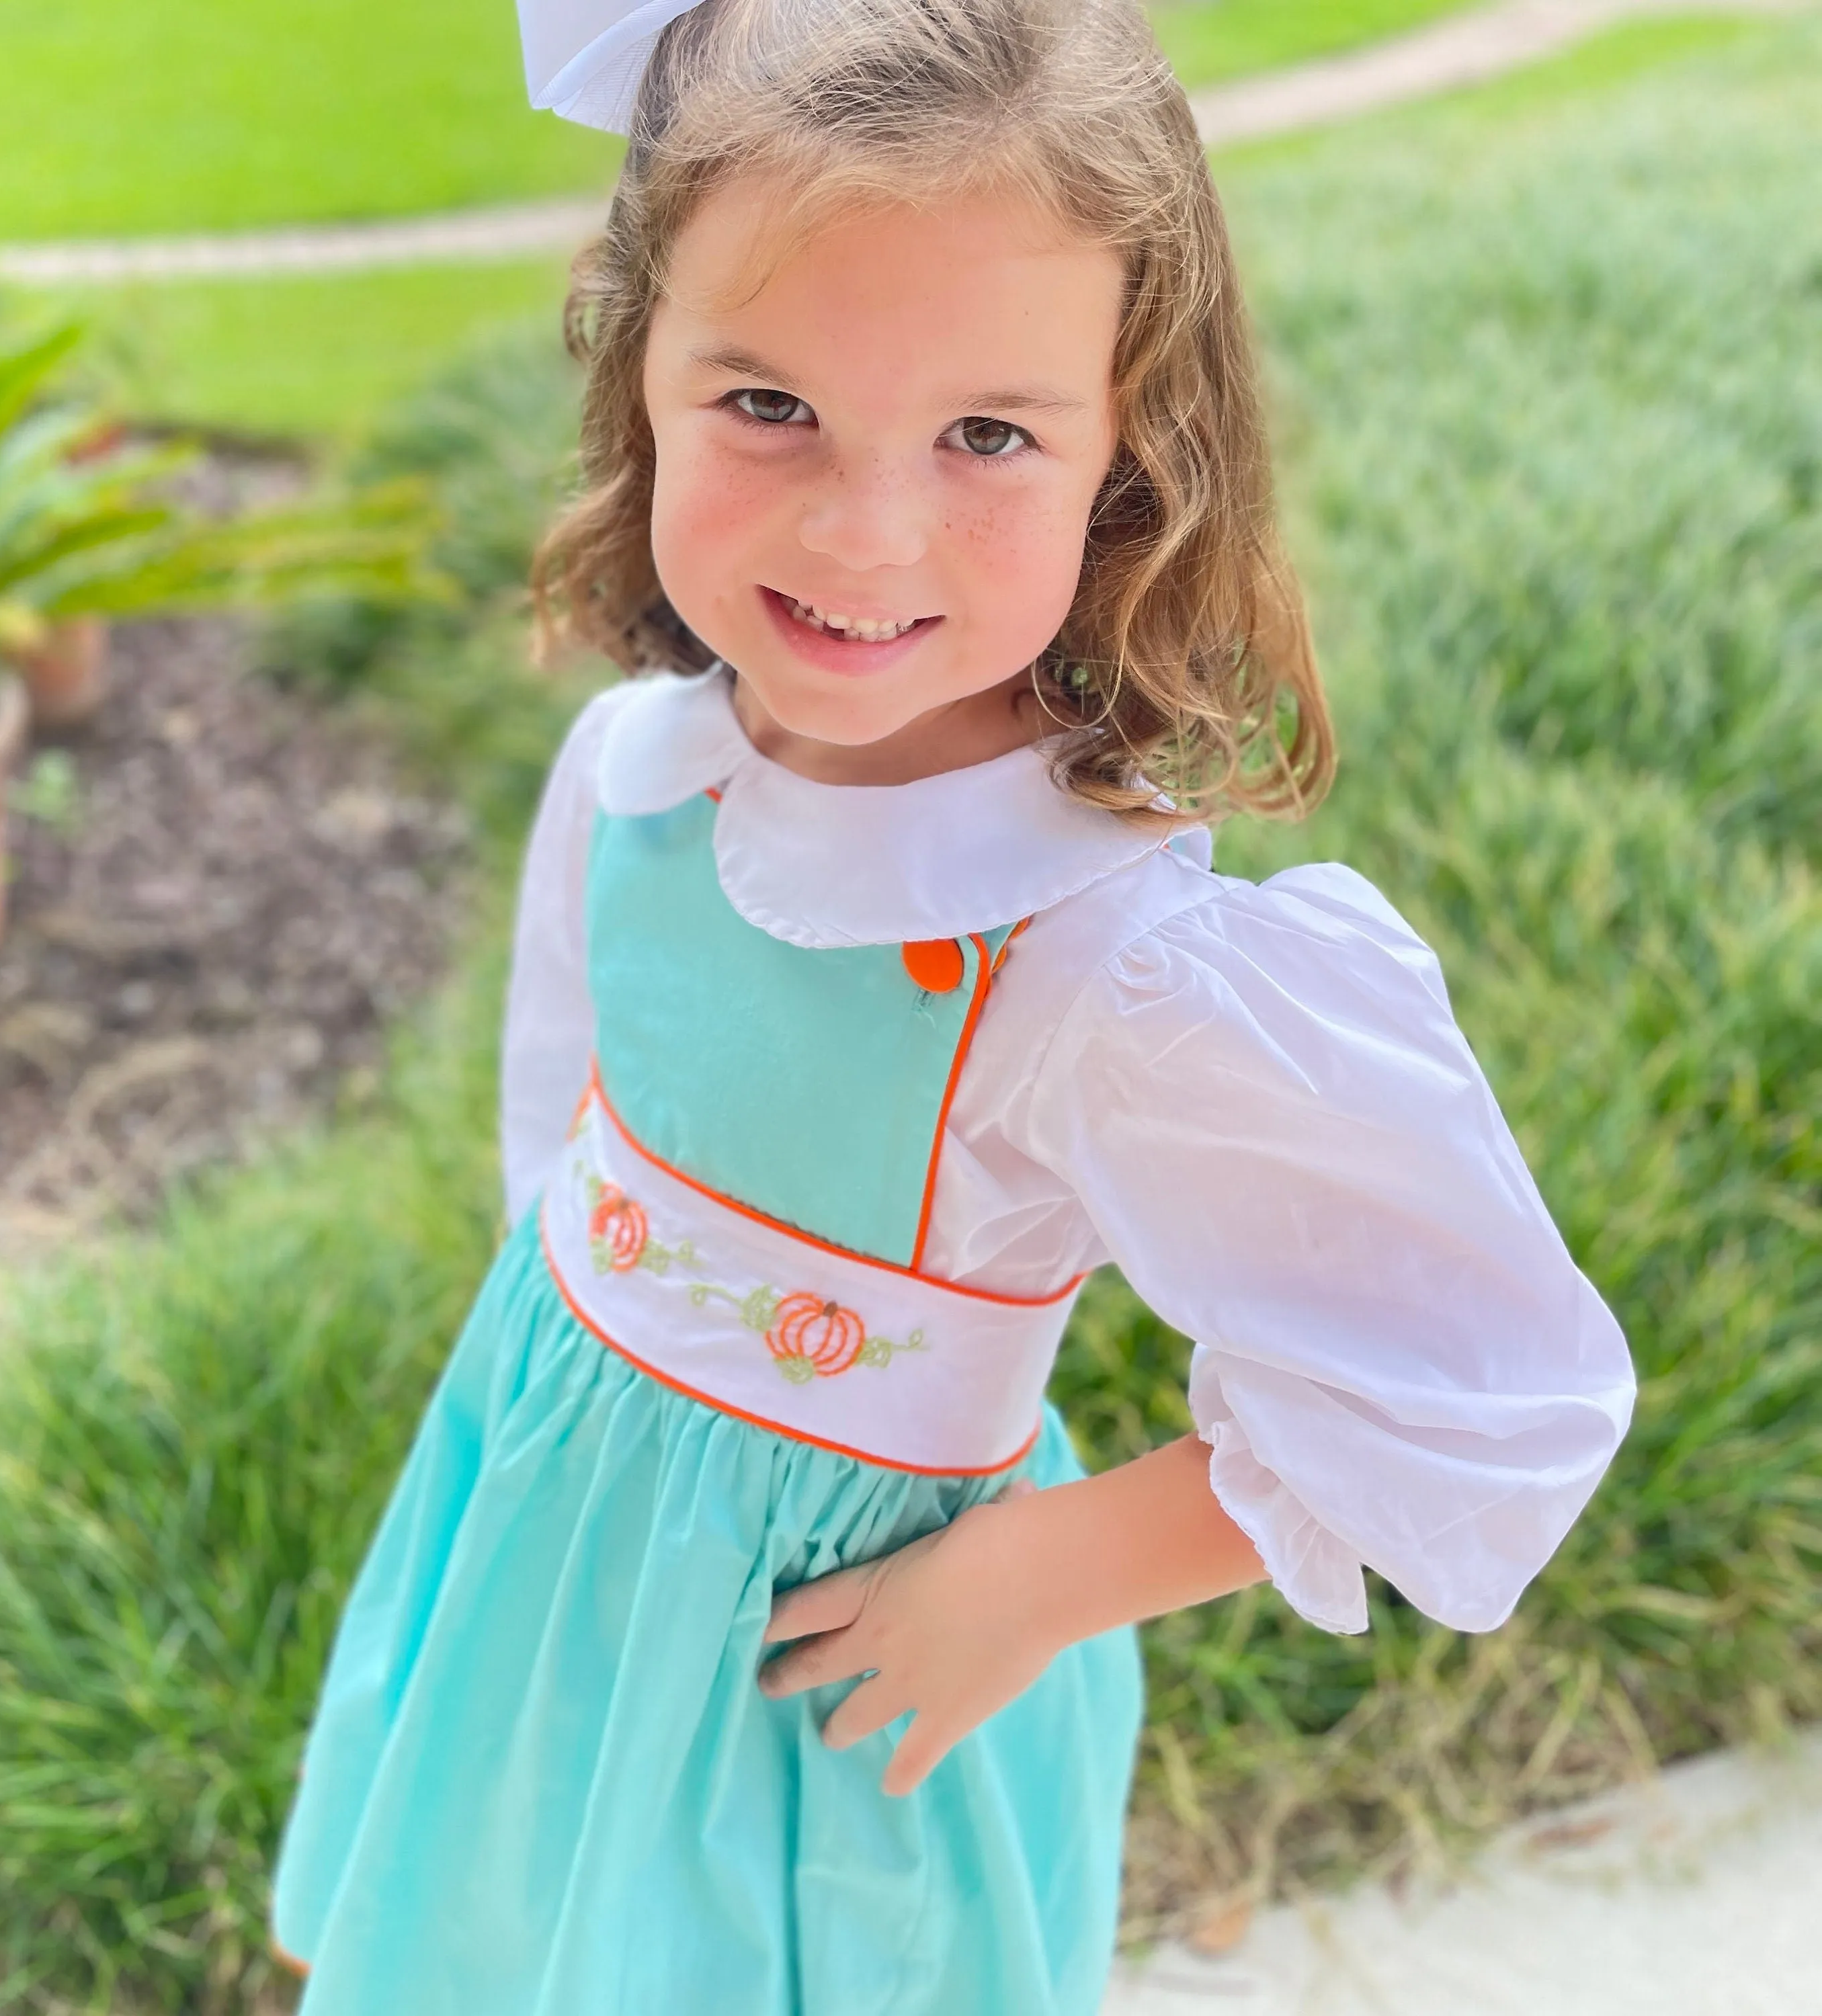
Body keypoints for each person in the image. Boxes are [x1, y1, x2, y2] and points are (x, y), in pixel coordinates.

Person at [270, 0, 1636, 2007]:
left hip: (837, 1685)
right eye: (767, 407)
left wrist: (1038, 1580)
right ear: (635, 356)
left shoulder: (1102, 969)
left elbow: (1479, 1395)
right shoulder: (644, 773)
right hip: (549, 1578)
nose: (863, 529)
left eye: (987, 433)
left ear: (1127, 455)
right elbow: (565, 1123)